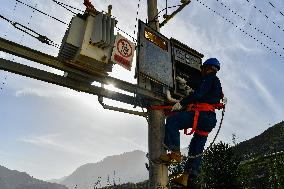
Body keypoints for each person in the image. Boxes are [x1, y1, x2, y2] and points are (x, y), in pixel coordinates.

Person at [158, 58, 223, 187]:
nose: (202, 71)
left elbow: (199, 94)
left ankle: (175, 153)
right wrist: (187, 85)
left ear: (207, 68)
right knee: (196, 146)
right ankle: (187, 177)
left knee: (173, 121)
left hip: (202, 114)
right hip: (210, 119)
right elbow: (201, 92)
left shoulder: (210, 78)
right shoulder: (216, 82)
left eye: (203, 69)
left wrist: (182, 103)